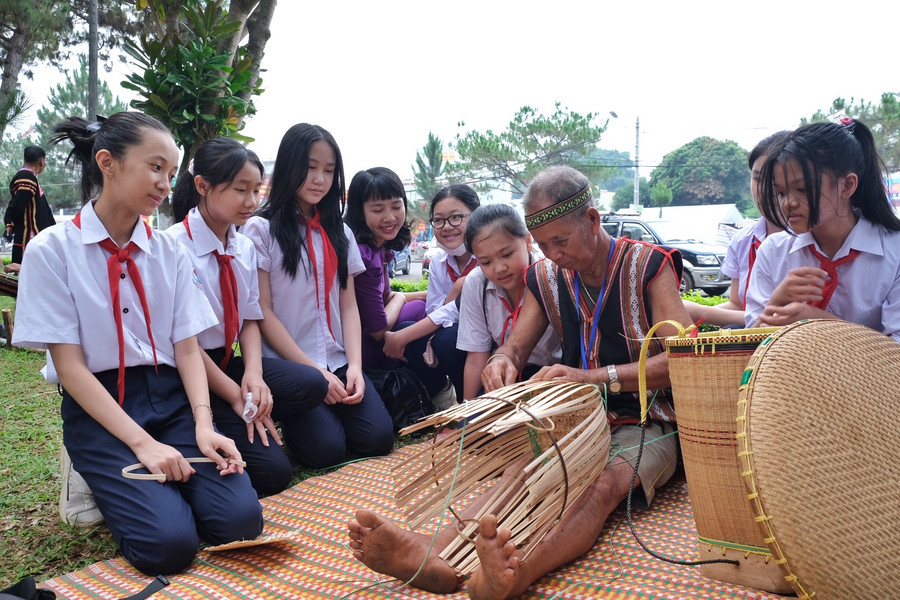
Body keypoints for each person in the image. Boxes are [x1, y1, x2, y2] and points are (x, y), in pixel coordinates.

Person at [348, 166, 691, 599]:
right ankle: (431, 549)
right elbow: (514, 345)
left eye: (560, 242)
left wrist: (591, 377)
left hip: (648, 417)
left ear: (592, 220)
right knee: (519, 471)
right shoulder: (546, 276)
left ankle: (516, 575)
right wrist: (501, 362)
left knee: (601, 486)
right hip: (577, 418)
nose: (553, 254)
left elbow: (682, 361)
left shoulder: (648, 264)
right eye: (543, 245)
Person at [12, 113, 263, 575]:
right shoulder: (51, 251)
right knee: (169, 546)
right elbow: (70, 368)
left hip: (169, 401)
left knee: (242, 523)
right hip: (100, 406)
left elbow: (187, 348)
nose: (166, 184)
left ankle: (152, 486)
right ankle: (90, 470)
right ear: (107, 162)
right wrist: (143, 444)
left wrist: (204, 426)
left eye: (171, 173)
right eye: (155, 167)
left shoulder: (169, 250)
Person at [168, 137, 329, 495]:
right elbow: (184, 345)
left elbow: (250, 318)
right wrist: (237, 396)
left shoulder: (243, 246)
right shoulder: (173, 247)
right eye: (241, 190)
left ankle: (254, 420)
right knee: (274, 474)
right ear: (202, 186)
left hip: (230, 363)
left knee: (312, 382)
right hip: (189, 372)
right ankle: (220, 427)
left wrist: (254, 376)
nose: (251, 202)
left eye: (256, 190)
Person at [242, 123, 394, 469]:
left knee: (378, 439)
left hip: (337, 359)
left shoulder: (339, 231)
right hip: (294, 368)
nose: (319, 179)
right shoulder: (260, 230)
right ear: (289, 166)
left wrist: (354, 366)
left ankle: (335, 400)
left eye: (328, 170)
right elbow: (262, 311)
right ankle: (296, 413)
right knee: (325, 452)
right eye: (310, 167)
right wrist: (314, 372)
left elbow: (348, 304)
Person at [745, 118, 900, 341]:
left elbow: (895, 353)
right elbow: (749, 349)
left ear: (847, 185)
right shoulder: (773, 252)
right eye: (780, 193)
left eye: (802, 188)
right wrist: (778, 300)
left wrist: (821, 323)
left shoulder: (894, 250)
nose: (788, 203)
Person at [382, 184, 481, 404]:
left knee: (447, 338)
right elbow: (436, 310)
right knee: (408, 330)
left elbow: (460, 313)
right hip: (450, 333)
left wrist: (456, 290)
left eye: (456, 217)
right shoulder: (437, 259)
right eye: (439, 220)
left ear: (477, 216)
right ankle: (441, 392)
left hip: (485, 340)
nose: (447, 227)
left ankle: (472, 402)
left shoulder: (488, 258)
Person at [456, 203, 561, 401]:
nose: (499, 268)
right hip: (504, 374)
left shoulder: (550, 275)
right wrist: (467, 414)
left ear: (528, 241)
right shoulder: (477, 282)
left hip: (552, 377)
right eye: (486, 262)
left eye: (507, 254)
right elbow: (477, 356)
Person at [684, 132, 789, 327]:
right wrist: (687, 311)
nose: (764, 189)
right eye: (758, 179)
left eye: (774, 182)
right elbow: (738, 305)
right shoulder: (743, 241)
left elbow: (773, 320)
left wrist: (699, 311)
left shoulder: (809, 242)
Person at [343, 167, 429, 371]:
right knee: (420, 310)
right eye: (378, 209)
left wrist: (432, 294)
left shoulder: (379, 248)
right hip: (356, 350)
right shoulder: (363, 255)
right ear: (359, 212)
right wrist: (402, 298)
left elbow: (386, 298)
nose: (390, 217)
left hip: (361, 343)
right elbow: (378, 330)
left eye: (396, 206)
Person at [5, 145, 55, 265]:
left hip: (33, 235)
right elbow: (18, 205)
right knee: (30, 271)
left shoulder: (28, 177)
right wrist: (9, 222)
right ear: (42, 162)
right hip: (30, 235)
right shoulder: (26, 177)